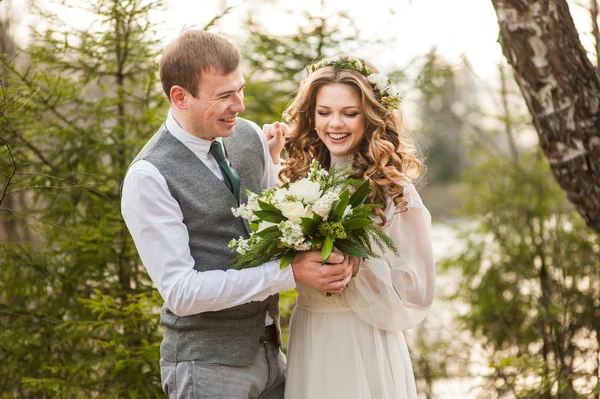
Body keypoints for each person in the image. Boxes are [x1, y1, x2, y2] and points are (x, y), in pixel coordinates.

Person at [120, 30, 355, 399]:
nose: (240, 104)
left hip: (274, 355)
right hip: (207, 368)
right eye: (224, 96)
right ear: (180, 97)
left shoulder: (248, 137)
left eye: (240, 89)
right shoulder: (148, 177)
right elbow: (181, 292)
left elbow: (276, 221)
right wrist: (288, 273)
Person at [277, 55, 436, 399]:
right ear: (311, 116)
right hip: (311, 332)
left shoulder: (394, 190)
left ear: (371, 116)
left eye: (350, 113)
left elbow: (418, 291)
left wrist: (358, 266)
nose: (335, 124)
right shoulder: (295, 181)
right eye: (324, 112)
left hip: (365, 339)